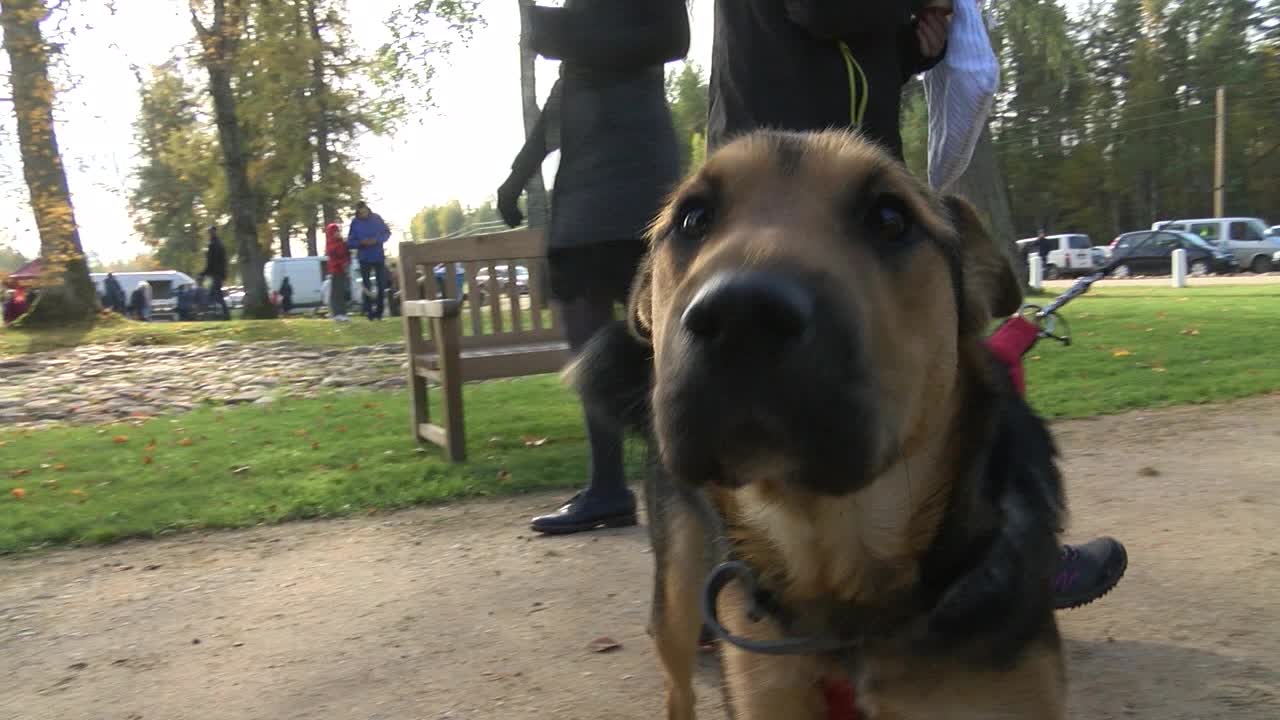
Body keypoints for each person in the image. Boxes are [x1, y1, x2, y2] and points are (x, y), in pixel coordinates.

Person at [708, 0, 1126, 611]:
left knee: (886, 388)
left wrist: (909, 50)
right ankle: (1009, 560)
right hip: (782, 189)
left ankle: (995, 558)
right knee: (946, 379)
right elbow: (817, 13)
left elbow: (840, 48)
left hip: (853, 191)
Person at [498, 0, 690, 535]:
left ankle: (676, 479)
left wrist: (557, 30)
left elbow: (672, 37)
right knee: (583, 327)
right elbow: (565, 91)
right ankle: (609, 483)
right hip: (584, 186)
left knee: (660, 333)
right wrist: (518, 173)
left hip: (636, 177)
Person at [347, 201, 392, 321]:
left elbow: (387, 233)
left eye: (365, 211)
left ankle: (379, 312)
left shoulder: (376, 218)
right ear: (357, 212)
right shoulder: (355, 223)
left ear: (367, 209)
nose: (363, 214)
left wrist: (376, 240)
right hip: (364, 257)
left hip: (378, 256)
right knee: (366, 286)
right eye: (360, 213)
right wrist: (360, 243)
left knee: (381, 284)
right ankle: (368, 311)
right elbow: (350, 242)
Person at [199, 226, 230, 321]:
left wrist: (203, 273)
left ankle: (222, 315)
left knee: (216, 296)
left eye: (210, 232)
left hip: (216, 274)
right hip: (218, 274)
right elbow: (220, 261)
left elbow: (212, 262)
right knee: (213, 295)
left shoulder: (214, 245)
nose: (210, 234)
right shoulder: (218, 244)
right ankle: (213, 315)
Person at [324, 221, 351, 322]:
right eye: (335, 231)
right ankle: (337, 313)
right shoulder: (331, 244)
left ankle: (342, 313)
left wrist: (347, 262)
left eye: (338, 231)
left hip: (342, 270)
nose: (337, 233)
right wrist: (342, 263)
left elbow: (346, 254)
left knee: (341, 292)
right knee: (336, 293)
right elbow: (334, 257)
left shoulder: (341, 242)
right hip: (336, 270)